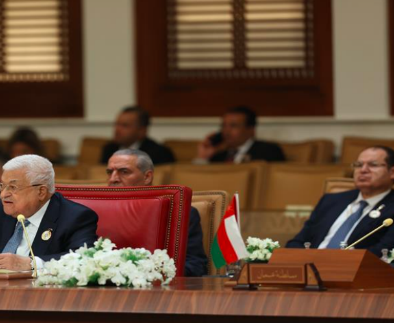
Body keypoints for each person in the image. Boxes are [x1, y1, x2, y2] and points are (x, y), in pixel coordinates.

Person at [0, 155, 99, 271]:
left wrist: (32, 263)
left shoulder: (75, 217)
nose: (3, 194)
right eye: (2, 186)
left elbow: (84, 257)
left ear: (41, 192)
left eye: (13, 187)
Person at [106, 149, 209, 277]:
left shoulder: (177, 213)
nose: (113, 179)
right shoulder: (92, 212)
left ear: (147, 177)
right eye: (110, 172)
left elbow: (195, 265)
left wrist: (149, 273)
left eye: (124, 172)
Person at [287, 146, 394, 255]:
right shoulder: (331, 200)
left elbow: (383, 251)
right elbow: (299, 241)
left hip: (354, 269)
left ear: (392, 172)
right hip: (309, 265)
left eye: (373, 165)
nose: (363, 170)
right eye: (358, 165)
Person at [196, 106, 286, 163]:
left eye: (233, 126)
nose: (226, 131)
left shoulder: (269, 151)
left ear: (251, 130)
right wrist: (203, 157)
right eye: (224, 126)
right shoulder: (218, 154)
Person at [100, 106, 175, 165]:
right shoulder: (109, 149)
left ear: (141, 131)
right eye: (117, 124)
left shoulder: (159, 153)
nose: (117, 130)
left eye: (125, 125)